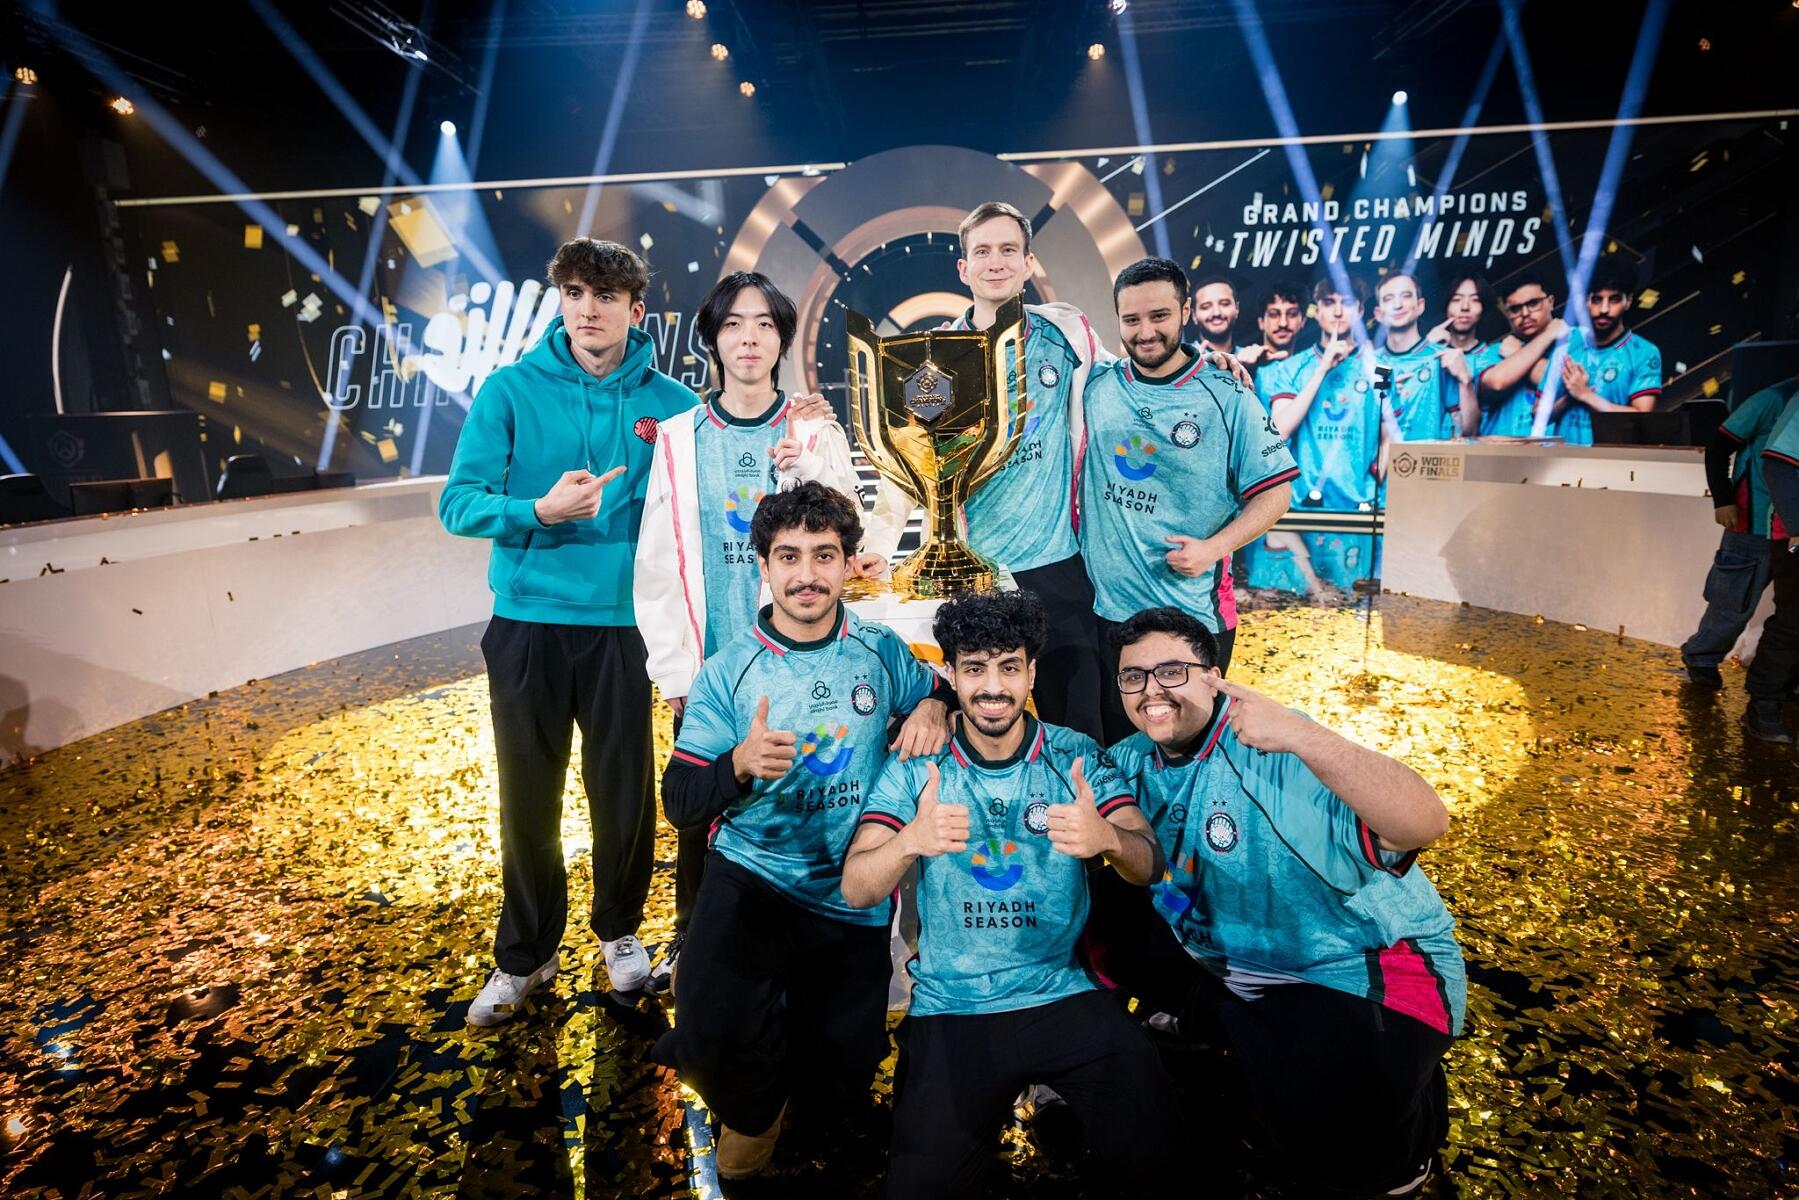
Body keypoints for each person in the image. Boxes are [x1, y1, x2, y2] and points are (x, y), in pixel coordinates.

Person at [1104, 606, 1463, 1197]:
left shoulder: (1271, 748)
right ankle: (1220, 1028)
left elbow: (1424, 822)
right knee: (1097, 891)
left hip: (1360, 969)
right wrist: (935, 707)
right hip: (1235, 961)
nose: (1151, 691)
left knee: (1350, 1164)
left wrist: (1305, 735)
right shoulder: (1129, 760)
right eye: (1133, 676)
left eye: (1172, 671)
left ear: (1213, 673)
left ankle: (1412, 1122)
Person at [652, 482, 952, 1176]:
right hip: (753, 872)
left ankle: (808, 1089)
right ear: (763, 565)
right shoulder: (728, 671)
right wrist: (736, 764)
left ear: (849, 563)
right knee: (705, 1025)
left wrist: (933, 709)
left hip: (851, 886)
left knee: (843, 1077)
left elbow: (937, 697)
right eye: (788, 556)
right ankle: (753, 1114)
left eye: (824, 555)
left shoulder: (879, 650)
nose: (807, 574)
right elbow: (681, 800)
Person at [842, 590, 1181, 1199]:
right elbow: (856, 884)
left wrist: (1105, 836)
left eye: (1007, 667)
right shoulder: (918, 765)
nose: (992, 686)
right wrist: (909, 843)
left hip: (1065, 994)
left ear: (1030, 671)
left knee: (1161, 1167)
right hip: (954, 1008)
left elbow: (1149, 864)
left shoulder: (1075, 756)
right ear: (950, 674)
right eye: (974, 668)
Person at [439, 238, 699, 1026]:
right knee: (529, 795)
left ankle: (618, 933)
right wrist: (536, 512)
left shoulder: (675, 405)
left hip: (625, 628)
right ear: (561, 301)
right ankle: (524, 955)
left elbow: (712, 501)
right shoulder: (510, 391)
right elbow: (459, 503)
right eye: (577, 294)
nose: (590, 309)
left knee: (622, 798)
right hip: (526, 624)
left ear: (636, 310)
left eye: (607, 297)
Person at [633, 271, 870, 996]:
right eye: (734, 324)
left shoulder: (812, 430)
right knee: (707, 805)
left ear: (782, 340)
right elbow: (657, 562)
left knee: (808, 788)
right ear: (711, 338)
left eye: (764, 324)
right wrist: (677, 673)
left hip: (805, 656)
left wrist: (812, 472)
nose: (748, 338)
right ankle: (690, 942)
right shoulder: (678, 437)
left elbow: (850, 539)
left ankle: (811, 933)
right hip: (715, 665)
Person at [864, 200, 1111, 741]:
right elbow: (906, 461)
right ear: (963, 268)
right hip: (973, 574)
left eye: (1007, 250)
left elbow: (1126, 384)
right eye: (982, 251)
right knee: (977, 731)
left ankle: (1085, 824)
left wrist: (1197, 366)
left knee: (1080, 731)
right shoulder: (936, 356)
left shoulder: (1067, 337)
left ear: (1027, 263)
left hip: (1058, 567)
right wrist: (879, 543)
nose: (995, 262)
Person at [1079, 256, 1297, 744]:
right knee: (1121, 748)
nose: (1145, 332)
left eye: (1159, 316)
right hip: (1111, 615)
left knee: (1188, 749)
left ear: (1186, 311)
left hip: (1192, 618)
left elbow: (1277, 493)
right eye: (1131, 320)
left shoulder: (1227, 393)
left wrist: (1212, 549)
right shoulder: (1097, 385)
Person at [1680, 378, 1797, 690]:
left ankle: (1779, 682)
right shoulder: (1772, 398)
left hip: (1787, 526)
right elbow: (1718, 447)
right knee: (1733, 600)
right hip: (1754, 521)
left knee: (1788, 609)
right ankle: (1701, 657)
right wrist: (1724, 499)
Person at [1257, 273, 1383, 512]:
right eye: (1328, 302)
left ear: (1359, 311)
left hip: (1360, 503)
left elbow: (1389, 437)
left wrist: (1374, 481)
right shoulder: (1291, 367)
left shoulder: (1377, 367)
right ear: (1317, 312)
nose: (1338, 312)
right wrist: (1322, 368)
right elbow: (1280, 430)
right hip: (1304, 502)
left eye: (1346, 303)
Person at [1556, 256, 1664, 445]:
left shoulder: (1644, 352)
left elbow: (1643, 419)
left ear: (1628, 301)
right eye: (1596, 299)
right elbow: (1538, 414)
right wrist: (1569, 396)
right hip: (1564, 461)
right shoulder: (1567, 345)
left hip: (1613, 463)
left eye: (1614, 300)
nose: (1604, 309)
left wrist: (1585, 395)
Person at [1742, 395, 1799, 742]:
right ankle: (1762, 703)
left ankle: (1787, 688)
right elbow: (1777, 464)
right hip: (1793, 535)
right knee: (1794, 620)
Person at [1372, 272, 1478, 443]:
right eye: (1389, 299)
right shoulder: (1369, 364)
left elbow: (1468, 430)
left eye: (1406, 296)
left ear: (1420, 306)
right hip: (1380, 467)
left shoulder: (1442, 358)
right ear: (1379, 314)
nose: (1397, 305)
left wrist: (1465, 380)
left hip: (1427, 465)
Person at [1477, 271, 1570, 438]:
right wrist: (1548, 335)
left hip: (1558, 455)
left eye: (1533, 303)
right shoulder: (1493, 352)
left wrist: (1517, 355)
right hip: (1503, 457)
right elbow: (1497, 382)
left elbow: (1568, 384)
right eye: (1515, 309)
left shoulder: (1576, 342)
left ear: (1550, 302)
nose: (1525, 313)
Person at [1192, 270, 1265, 366]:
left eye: (1224, 304)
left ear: (1237, 309)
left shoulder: (1251, 357)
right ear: (1194, 315)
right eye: (1206, 307)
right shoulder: (1182, 360)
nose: (1216, 313)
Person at [1252, 279, 1309, 370]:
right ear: (1261, 322)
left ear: (1303, 321)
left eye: (1292, 314)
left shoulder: (1312, 369)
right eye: (1274, 314)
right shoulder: (1244, 366)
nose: (1283, 323)